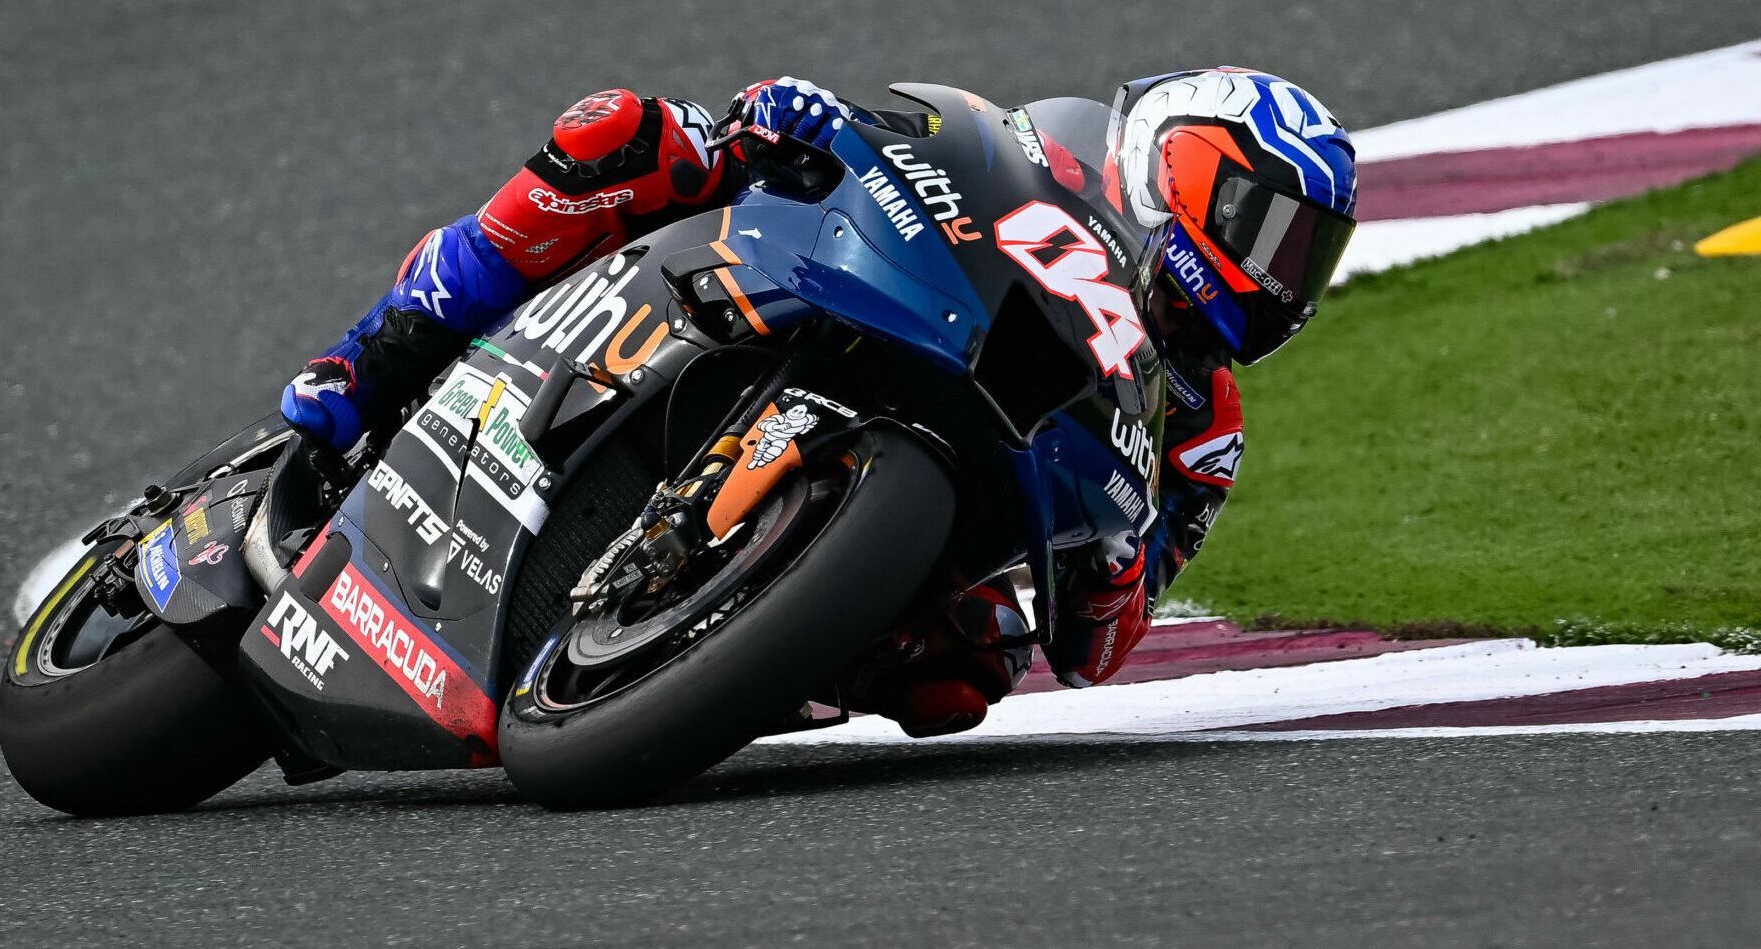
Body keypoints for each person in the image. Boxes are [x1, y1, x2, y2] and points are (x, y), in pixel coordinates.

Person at [280, 71, 1358, 738]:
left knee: (969, 670)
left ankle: (734, 658)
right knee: (626, 133)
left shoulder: (1205, 422)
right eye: (1262, 226)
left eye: (1306, 257)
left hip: (969, 497)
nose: (1278, 273)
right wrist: (803, 121)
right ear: (1178, 162)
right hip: (831, 291)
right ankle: (374, 356)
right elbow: (924, 133)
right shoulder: (1051, 154)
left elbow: (1101, 648)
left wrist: (1119, 562)